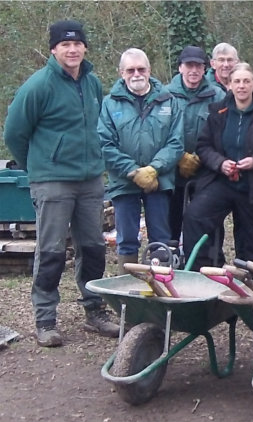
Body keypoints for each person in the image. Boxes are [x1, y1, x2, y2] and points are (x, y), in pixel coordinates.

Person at [4, 19, 120, 346]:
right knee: (52, 250)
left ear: (84, 47)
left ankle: (95, 311)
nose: (72, 50)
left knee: (94, 248)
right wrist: (38, 165)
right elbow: (14, 132)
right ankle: (45, 319)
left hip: (89, 180)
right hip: (52, 181)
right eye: (64, 45)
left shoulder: (93, 83)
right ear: (54, 49)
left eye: (77, 44)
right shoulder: (38, 86)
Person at [182, 63, 253, 269]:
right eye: (237, 81)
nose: (241, 86)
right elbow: (203, 145)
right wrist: (220, 163)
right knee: (196, 216)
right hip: (223, 181)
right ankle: (207, 270)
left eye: (246, 81)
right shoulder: (219, 112)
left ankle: (251, 280)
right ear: (229, 85)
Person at [99, 48, 184, 274]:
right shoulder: (109, 104)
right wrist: (133, 171)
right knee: (126, 239)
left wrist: (154, 169)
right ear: (121, 73)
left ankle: (161, 292)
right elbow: (105, 144)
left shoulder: (169, 101)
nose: (136, 74)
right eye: (130, 70)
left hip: (159, 181)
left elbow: (176, 142)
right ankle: (127, 290)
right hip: (124, 183)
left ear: (149, 70)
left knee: (161, 238)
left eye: (141, 69)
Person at [166, 46, 226, 249]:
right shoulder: (165, 95)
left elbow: (223, 132)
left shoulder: (217, 95)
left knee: (207, 219)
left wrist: (205, 156)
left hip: (206, 171)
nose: (193, 71)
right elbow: (159, 132)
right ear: (180, 68)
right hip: (172, 171)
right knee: (171, 221)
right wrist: (178, 156)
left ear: (205, 68)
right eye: (189, 65)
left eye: (198, 66)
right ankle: (173, 260)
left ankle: (208, 260)